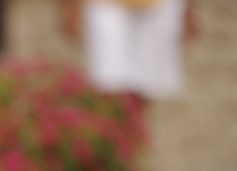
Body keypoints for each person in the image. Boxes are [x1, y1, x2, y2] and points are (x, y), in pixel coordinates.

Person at [61, 0, 198, 102]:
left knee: (147, 86)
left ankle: (131, 136)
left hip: (159, 6)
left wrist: (189, 8)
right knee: (108, 85)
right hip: (105, 6)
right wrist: (70, 6)